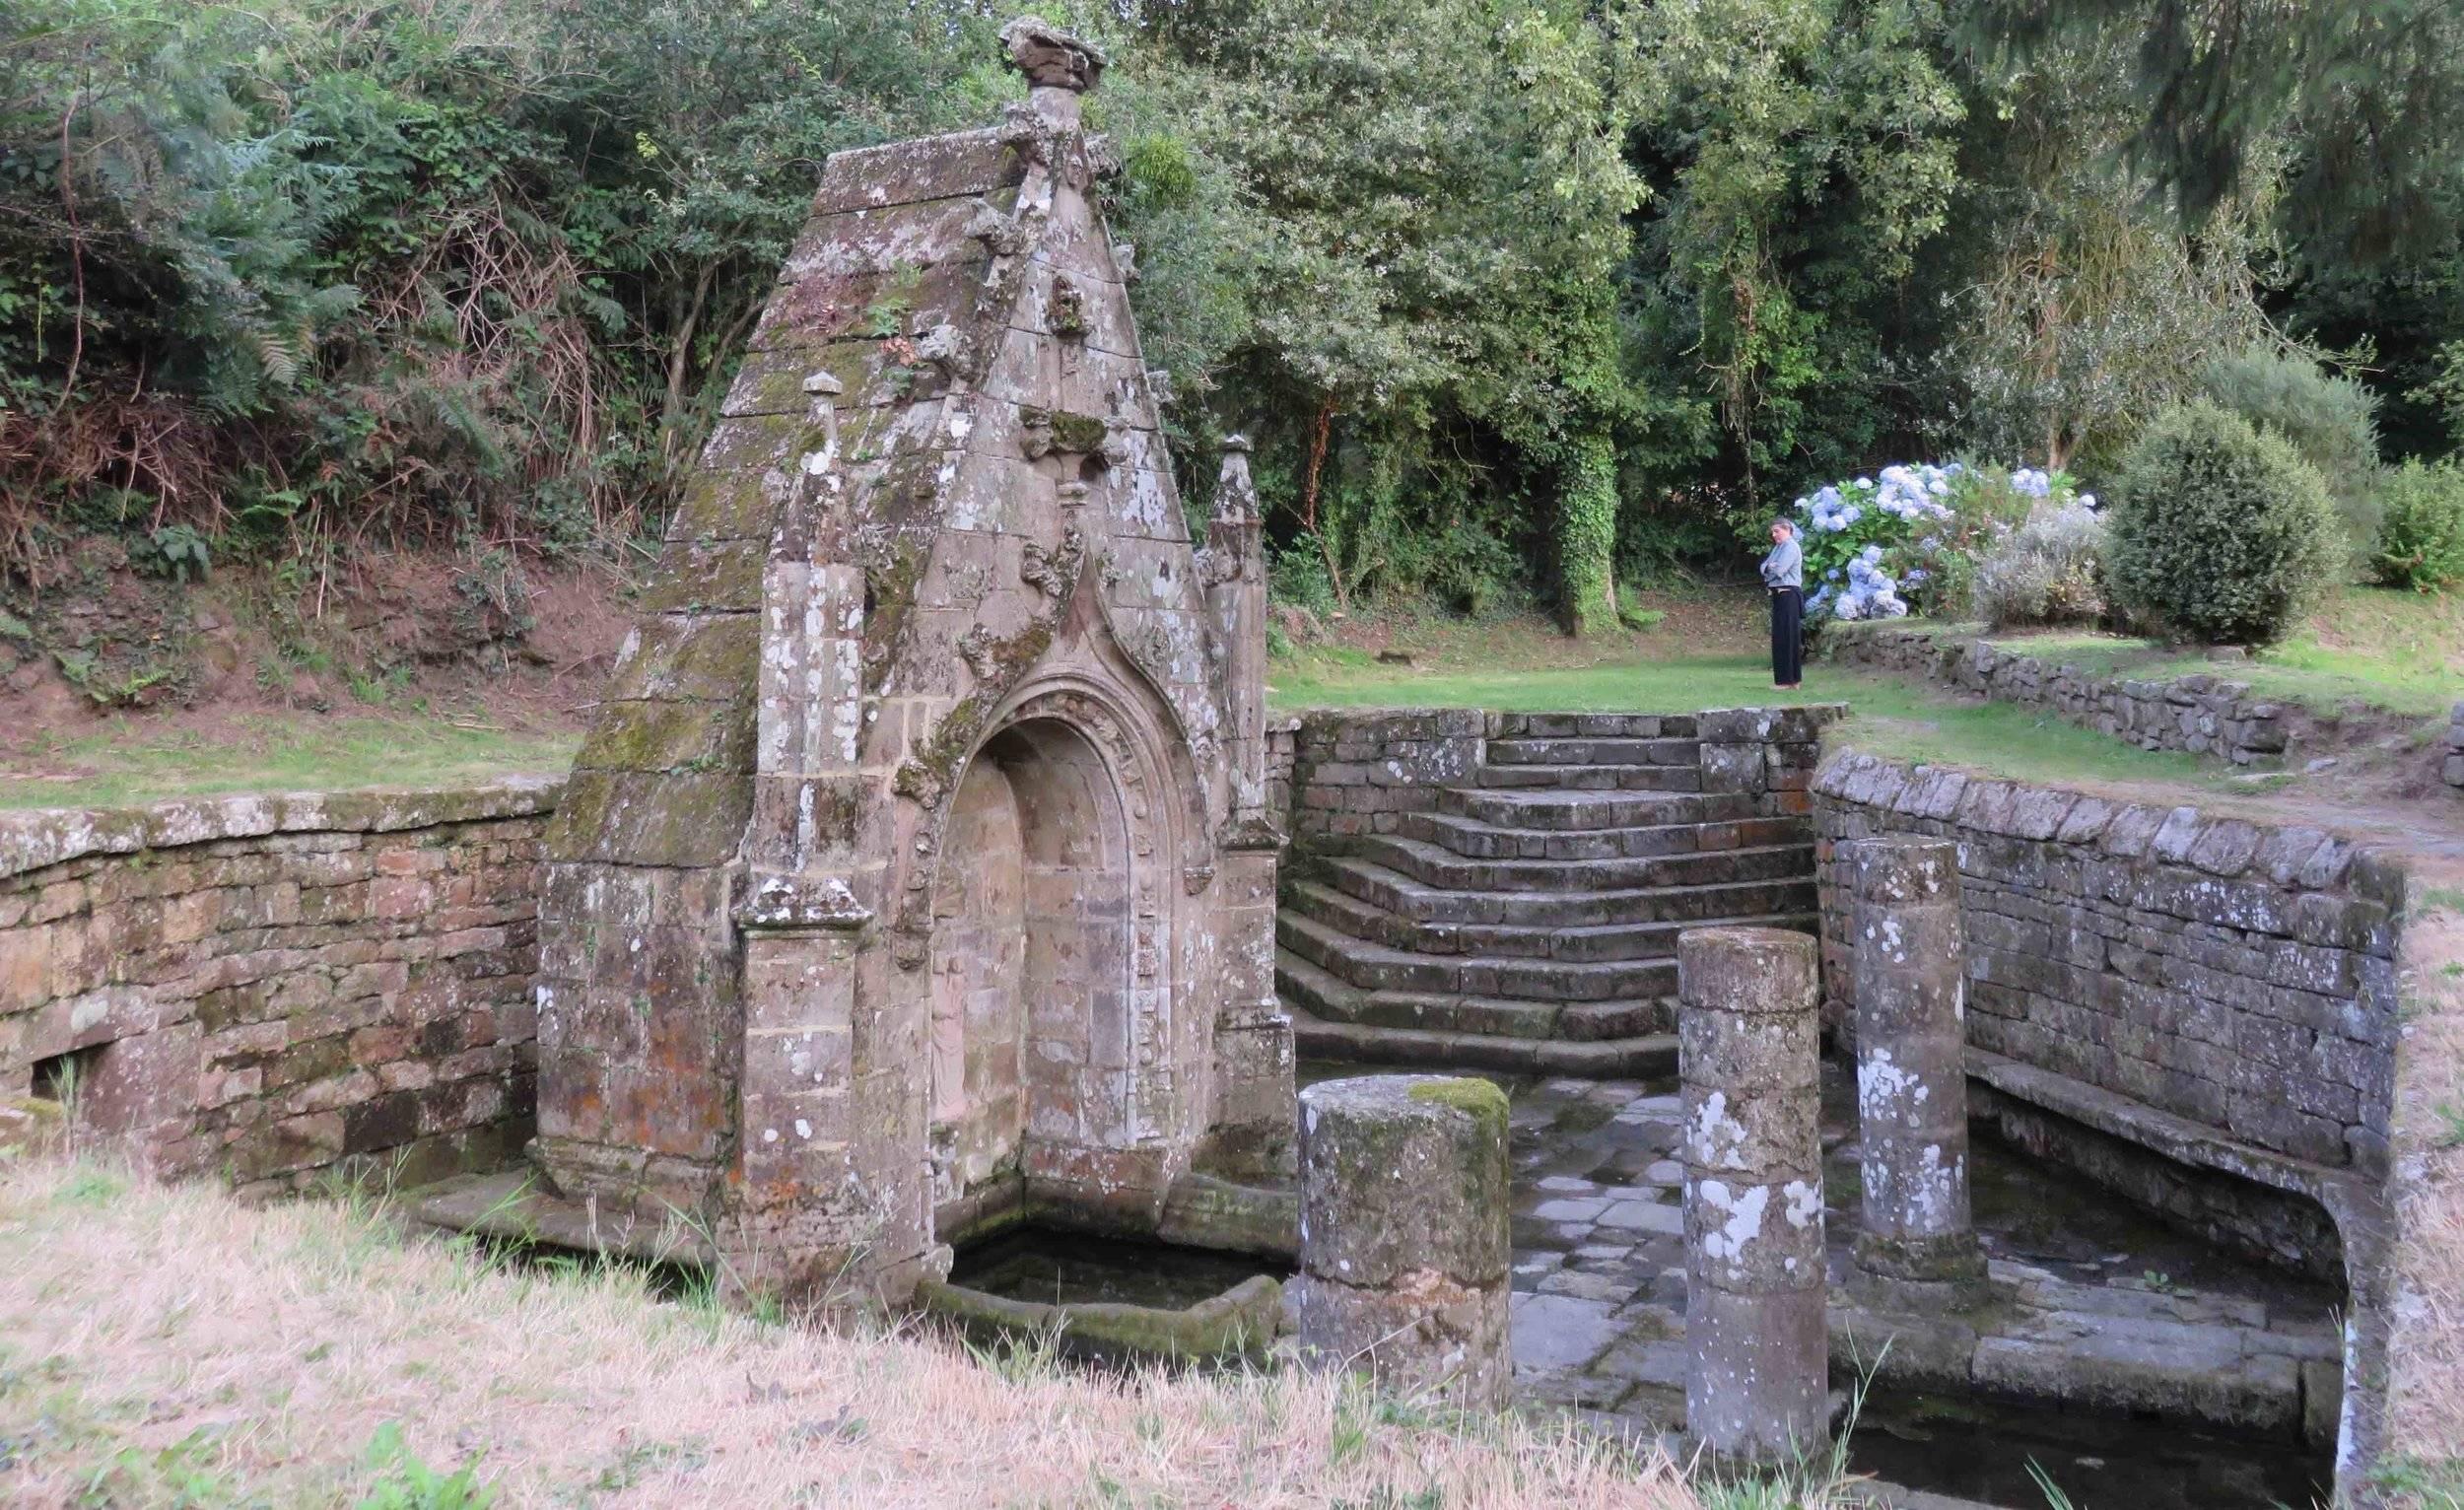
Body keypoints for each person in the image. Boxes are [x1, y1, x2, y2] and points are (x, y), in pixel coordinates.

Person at [1760, 517, 1803, 689]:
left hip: (1789, 595)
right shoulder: (1778, 548)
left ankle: (1790, 680)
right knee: (1780, 638)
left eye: (1777, 531)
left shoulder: (1791, 547)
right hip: (1778, 595)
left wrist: (1769, 568)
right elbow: (1763, 567)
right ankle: (1786, 679)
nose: (1774, 535)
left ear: (1787, 530)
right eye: (1773, 532)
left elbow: (1779, 570)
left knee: (1788, 637)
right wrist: (1769, 567)